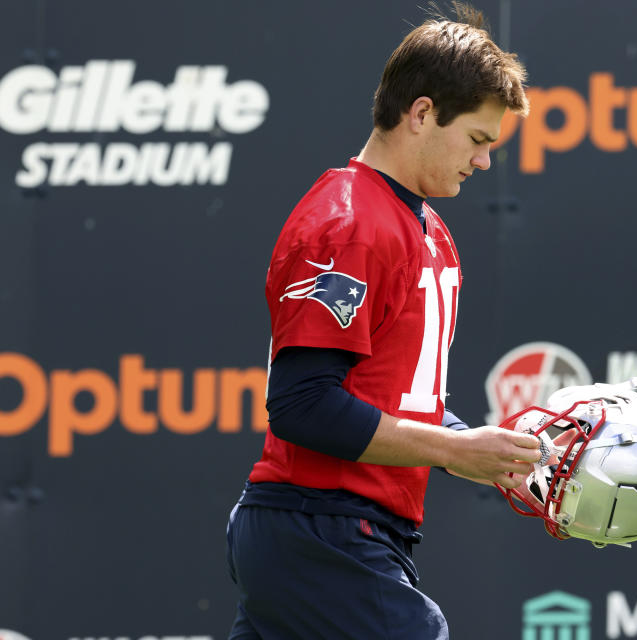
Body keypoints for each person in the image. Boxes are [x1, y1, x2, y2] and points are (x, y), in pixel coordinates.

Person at [226, 4, 536, 638]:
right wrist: (454, 449)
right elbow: (302, 404)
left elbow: (400, 405)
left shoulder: (431, 233)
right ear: (421, 114)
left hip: (342, 535)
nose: (483, 163)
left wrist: (493, 454)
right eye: (477, 140)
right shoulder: (349, 223)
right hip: (320, 529)